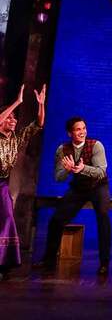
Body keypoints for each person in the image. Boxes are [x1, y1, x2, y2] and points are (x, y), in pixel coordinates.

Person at [36, 117, 112, 275]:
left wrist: (83, 168)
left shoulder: (96, 146)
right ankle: (48, 260)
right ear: (70, 133)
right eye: (78, 129)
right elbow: (58, 177)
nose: (82, 132)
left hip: (98, 186)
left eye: (84, 128)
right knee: (56, 220)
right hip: (79, 187)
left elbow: (101, 171)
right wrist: (68, 170)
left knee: (103, 217)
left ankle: (104, 263)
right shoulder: (62, 149)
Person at [0, 85, 45, 280]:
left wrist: (41, 105)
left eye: (15, 117)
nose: (13, 120)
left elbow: (38, 125)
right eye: (9, 117)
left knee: (7, 219)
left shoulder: (17, 139)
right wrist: (17, 102)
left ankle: (4, 262)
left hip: (2, 185)